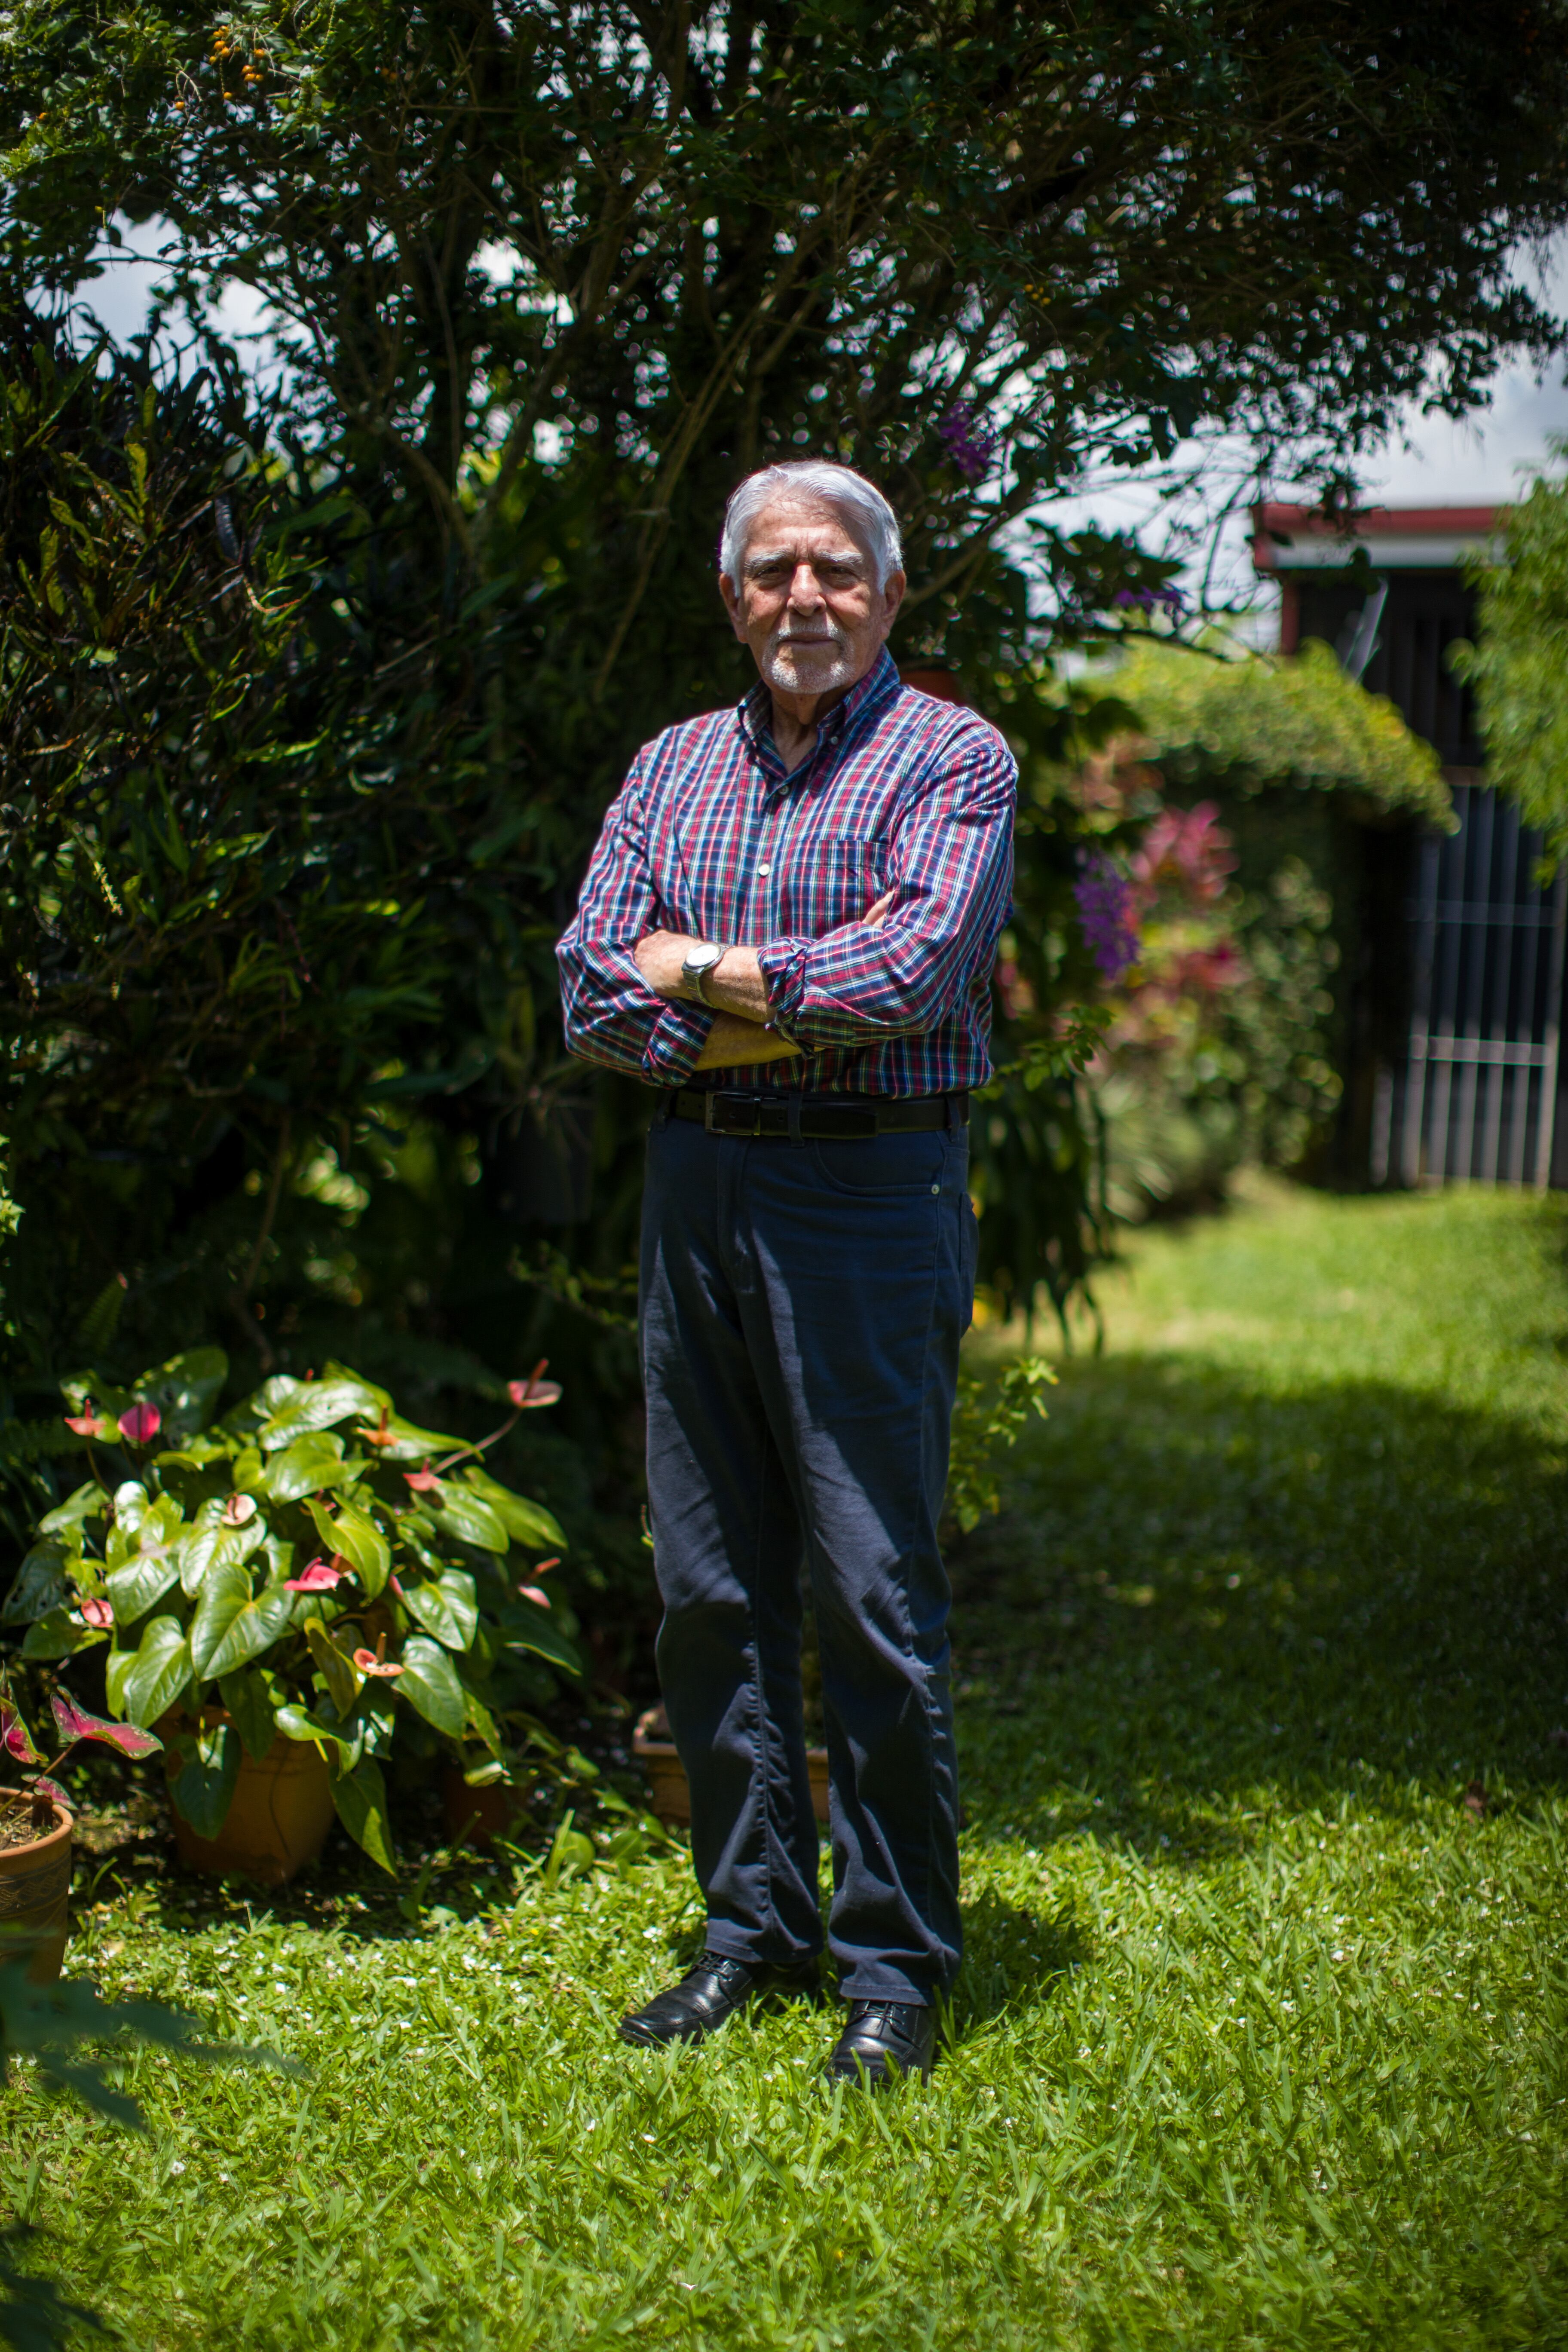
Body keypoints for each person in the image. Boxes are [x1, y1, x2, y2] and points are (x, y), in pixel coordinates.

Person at [555, 459, 1016, 2087]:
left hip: (871, 1191)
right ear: (733, 598)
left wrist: (703, 971)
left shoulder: (954, 759)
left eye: (835, 571)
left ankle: (893, 1962)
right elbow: (590, 993)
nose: (802, 599)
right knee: (707, 1585)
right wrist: (765, 996)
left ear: (890, 597)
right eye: (772, 573)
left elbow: (913, 969)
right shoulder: (673, 763)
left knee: (870, 1590)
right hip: (695, 1187)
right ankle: (749, 1927)